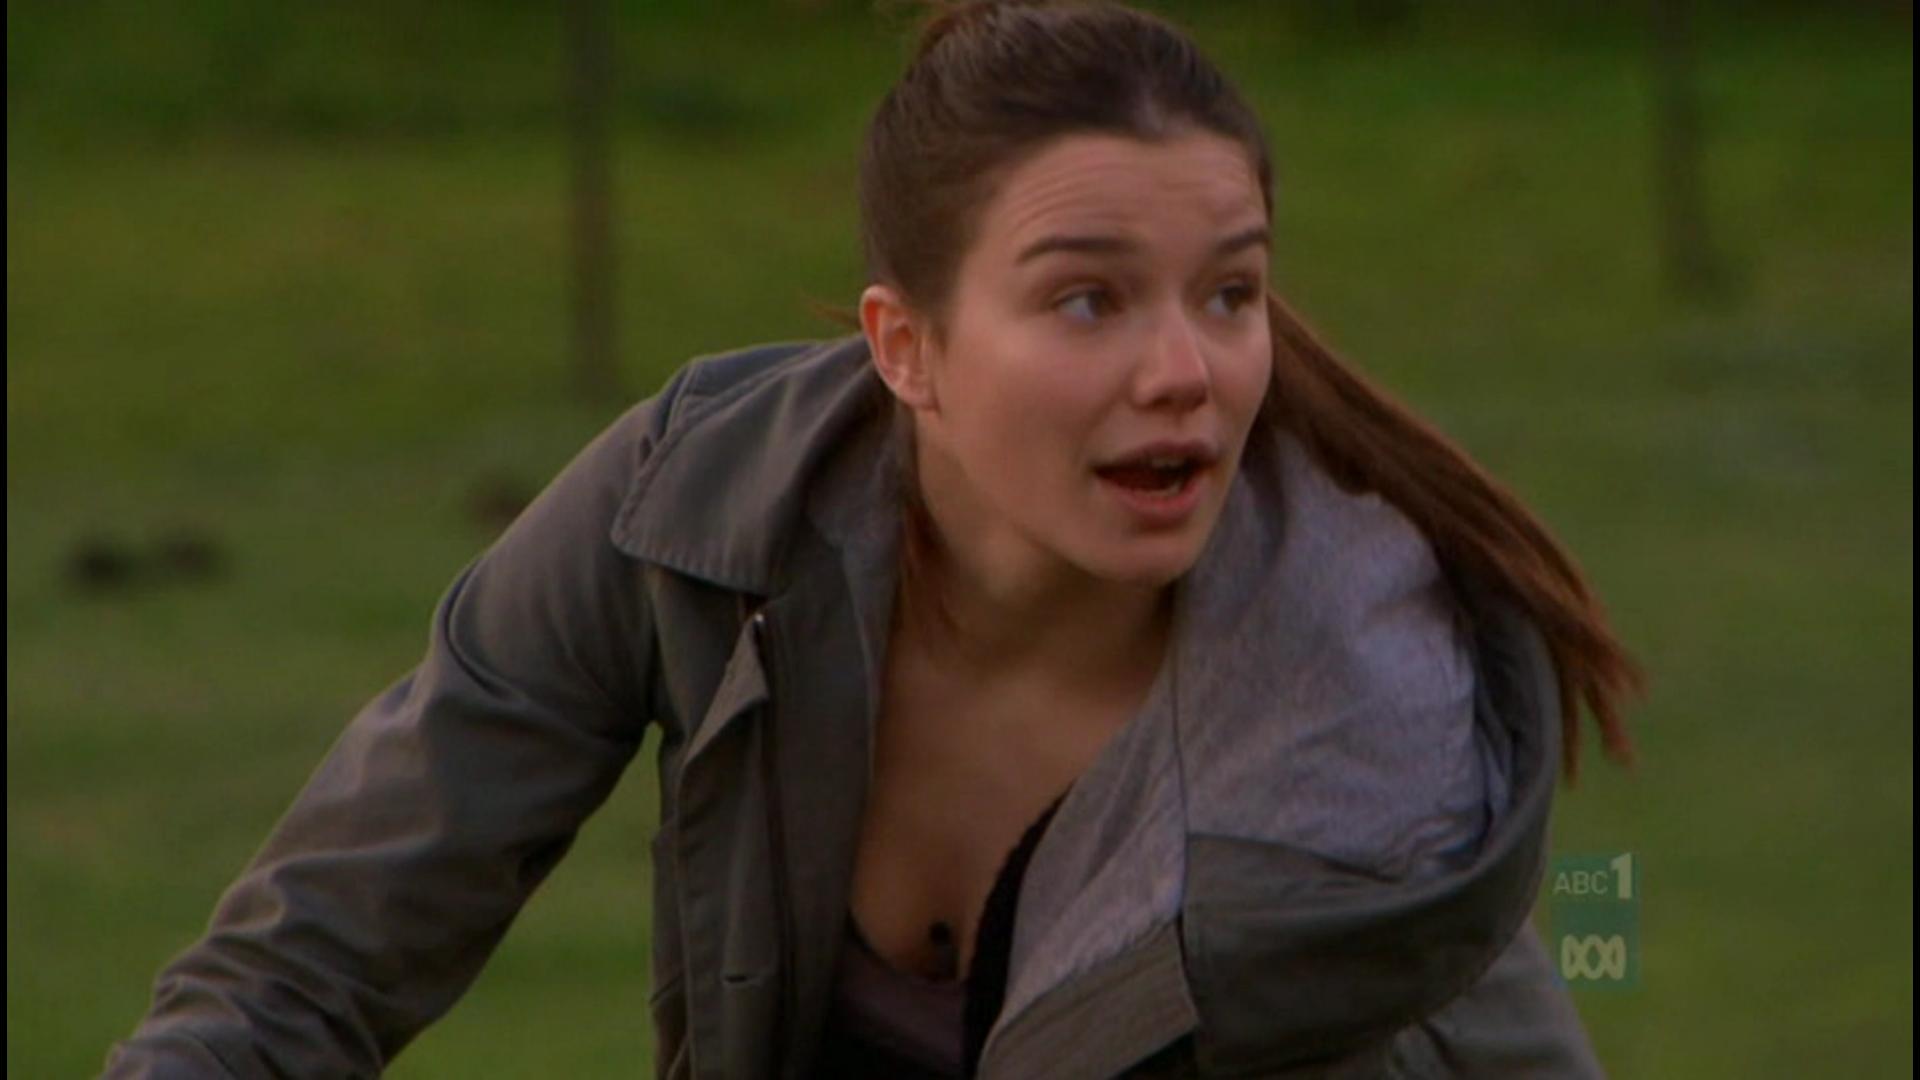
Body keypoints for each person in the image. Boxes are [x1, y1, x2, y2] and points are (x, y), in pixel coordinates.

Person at [104, 1, 1643, 1076]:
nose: (1188, 369)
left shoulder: (1365, 742)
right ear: (906, 348)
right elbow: (302, 975)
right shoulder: (698, 510)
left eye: (1229, 292)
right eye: (1089, 299)